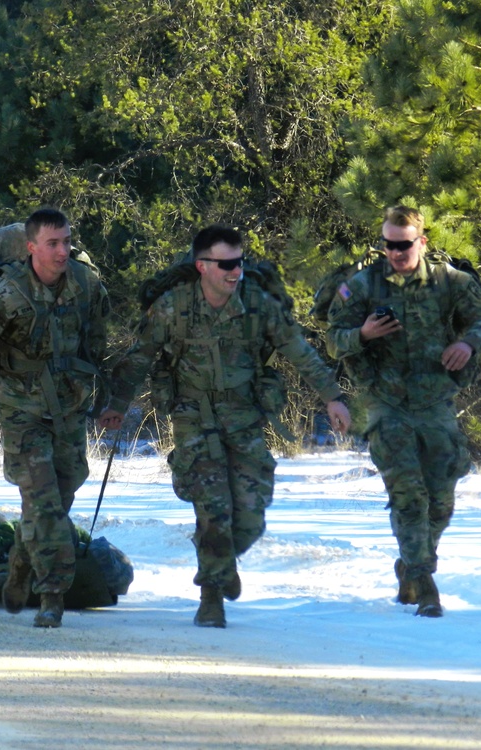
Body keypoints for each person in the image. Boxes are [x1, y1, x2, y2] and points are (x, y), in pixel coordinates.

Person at [98, 225, 351, 628]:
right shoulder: (172, 307)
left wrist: (332, 396)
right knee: (213, 509)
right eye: (227, 264)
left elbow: (299, 352)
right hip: (193, 418)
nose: (236, 272)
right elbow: (140, 356)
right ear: (202, 266)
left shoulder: (258, 305)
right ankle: (211, 595)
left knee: (250, 516)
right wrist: (116, 405)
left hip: (244, 418)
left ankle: (224, 562)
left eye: (240, 263)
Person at [0, 208, 109, 629]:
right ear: (31, 248)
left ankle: (19, 565)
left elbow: (98, 344)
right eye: (53, 243)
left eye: (67, 242)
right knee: (44, 502)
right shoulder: (5, 294)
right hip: (22, 409)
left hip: (69, 409)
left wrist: (109, 402)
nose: (63, 250)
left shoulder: (86, 286)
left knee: (60, 498)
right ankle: (52, 596)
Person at [326, 205, 481, 618]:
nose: (396, 253)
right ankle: (424, 581)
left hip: (435, 401)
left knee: (441, 500)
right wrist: (362, 334)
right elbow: (332, 339)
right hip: (387, 403)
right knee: (407, 496)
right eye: (389, 245)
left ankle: (410, 564)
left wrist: (467, 343)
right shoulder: (363, 286)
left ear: (421, 241)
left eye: (403, 245)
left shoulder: (450, 283)